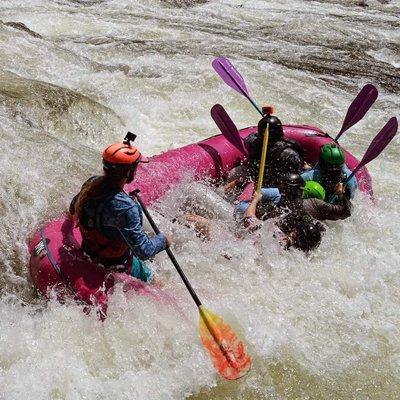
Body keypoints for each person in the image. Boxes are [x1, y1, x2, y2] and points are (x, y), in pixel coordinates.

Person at [69, 132, 171, 283]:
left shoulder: (91, 183)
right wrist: (164, 240)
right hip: (115, 265)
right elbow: (144, 251)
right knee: (159, 282)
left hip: (89, 252)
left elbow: (73, 208)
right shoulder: (126, 208)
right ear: (129, 172)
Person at [224, 108, 306, 195]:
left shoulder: (252, 141)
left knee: (239, 171)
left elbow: (249, 139)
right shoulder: (289, 153)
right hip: (275, 186)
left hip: (254, 178)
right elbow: (297, 173)